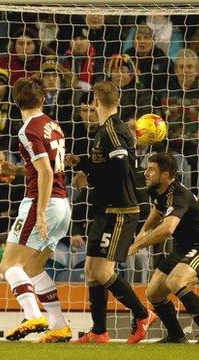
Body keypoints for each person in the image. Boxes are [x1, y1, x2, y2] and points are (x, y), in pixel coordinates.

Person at [66, 80, 156, 344]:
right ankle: (98, 331)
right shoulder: (105, 129)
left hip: (120, 210)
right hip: (106, 208)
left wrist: (88, 177)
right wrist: (81, 162)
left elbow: (120, 168)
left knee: (103, 272)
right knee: (91, 269)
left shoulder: (114, 129)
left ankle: (143, 315)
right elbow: (108, 164)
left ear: (95, 101)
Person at [0, 74, 72, 343]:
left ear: (16, 101)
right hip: (63, 204)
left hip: (43, 203)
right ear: (43, 99)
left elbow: (45, 172)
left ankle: (32, 316)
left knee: (8, 265)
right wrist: (19, 172)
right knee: (32, 268)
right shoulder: (53, 125)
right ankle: (59, 326)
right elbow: (45, 167)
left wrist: (40, 211)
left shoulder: (27, 129)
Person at [129, 152, 199, 344]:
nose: (146, 173)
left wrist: (137, 244)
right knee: (153, 292)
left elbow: (168, 228)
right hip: (183, 248)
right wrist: (144, 230)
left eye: (151, 170)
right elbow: (157, 209)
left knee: (175, 281)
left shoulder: (179, 195)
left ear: (165, 175)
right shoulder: (159, 190)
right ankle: (176, 336)